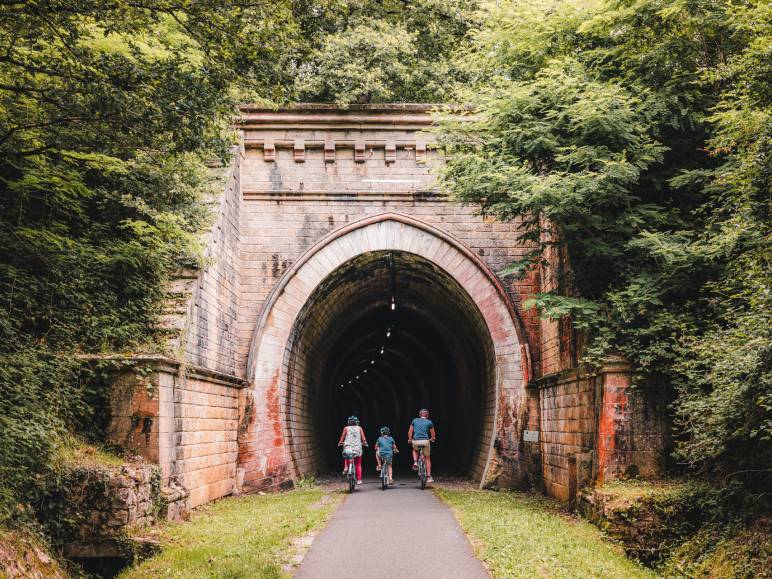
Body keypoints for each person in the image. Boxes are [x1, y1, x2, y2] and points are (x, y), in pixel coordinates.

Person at [408, 408, 436, 483]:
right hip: (425, 441)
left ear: (420, 415)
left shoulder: (414, 420)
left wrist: (410, 439)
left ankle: (415, 462)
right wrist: (432, 439)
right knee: (427, 458)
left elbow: (410, 431)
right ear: (427, 415)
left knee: (414, 450)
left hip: (416, 441)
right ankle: (429, 477)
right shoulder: (429, 422)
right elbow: (433, 433)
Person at [338, 415, 368, 485]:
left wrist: (340, 442)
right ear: (356, 422)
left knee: (347, 455)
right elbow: (363, 438)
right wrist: (364, 443)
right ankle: (359, 480)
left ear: (349, 422)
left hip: (348, 447)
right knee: (358, 464)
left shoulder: (346, 428)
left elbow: (343, 436)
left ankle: (346, 467)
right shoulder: (359, 428)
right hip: (357, 448)